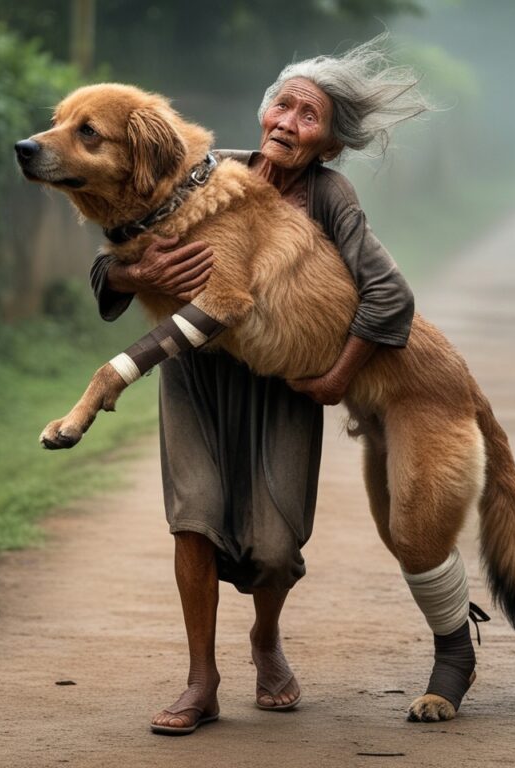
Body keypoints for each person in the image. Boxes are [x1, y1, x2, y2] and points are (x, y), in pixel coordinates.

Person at [91, 37, 429, 734]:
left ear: (330, 144)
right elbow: (114, 260)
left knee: (276, 545)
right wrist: (137, 276)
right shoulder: (204, 174)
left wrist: (338, 376)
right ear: (263, 108)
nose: (287, 123)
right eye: (283, 104)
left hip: (282, 380)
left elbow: (389, 296)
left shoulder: (330, 198)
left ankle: (266, 638)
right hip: (196, 372)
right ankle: (200, 680)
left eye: (310, 117)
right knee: (195, 517)